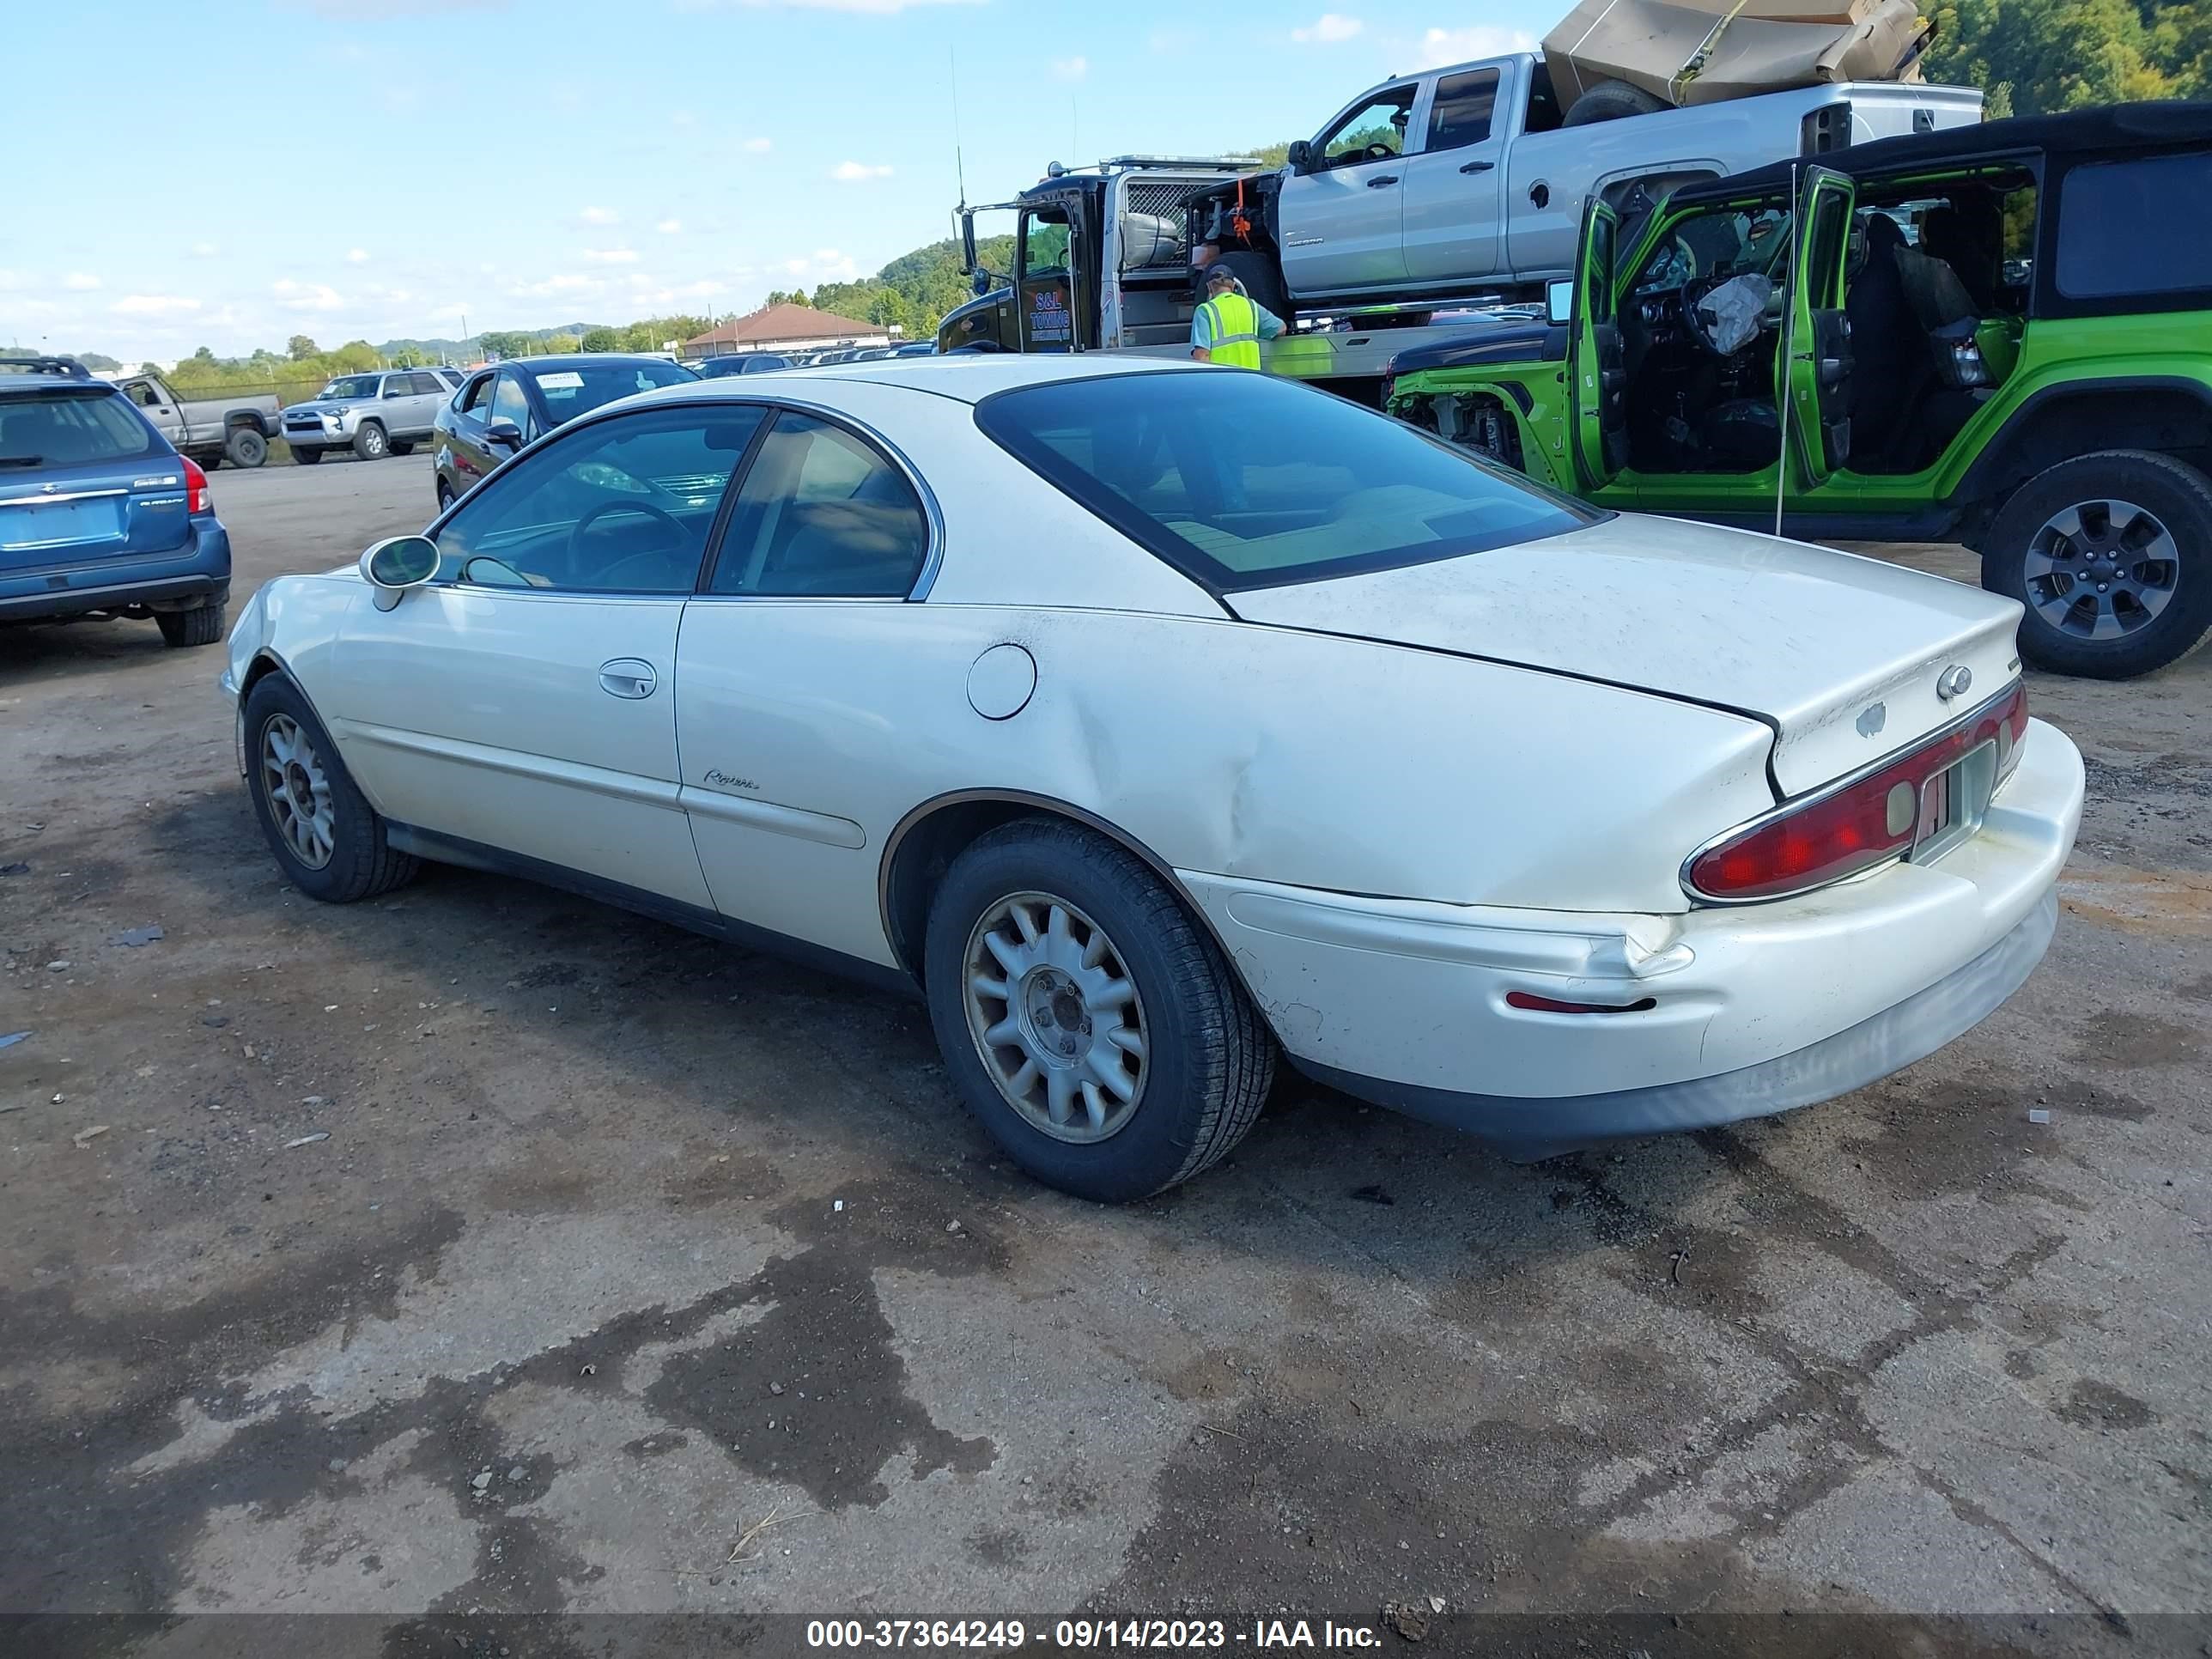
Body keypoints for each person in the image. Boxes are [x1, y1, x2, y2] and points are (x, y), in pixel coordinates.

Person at [1190, 264, 1284, 368]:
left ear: (1209, 286)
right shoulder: (1251, 306)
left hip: (1223, 381)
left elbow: (1202, 354)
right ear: (1233, 285)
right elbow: (1280, 328)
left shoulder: (1205, 310)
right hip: (1250, 379)